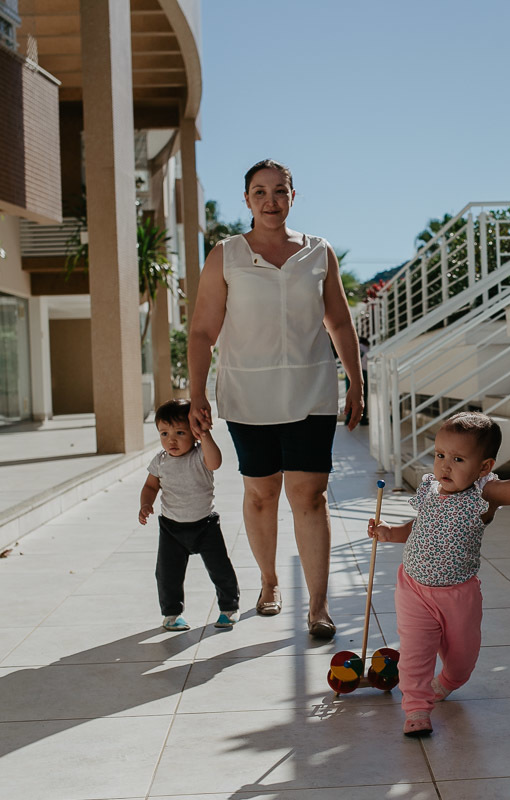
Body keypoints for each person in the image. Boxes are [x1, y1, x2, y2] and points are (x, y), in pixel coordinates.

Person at [188, 159, 363, 640]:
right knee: (261, 495)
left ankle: (319, 607)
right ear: (246, 200)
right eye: (260, 192)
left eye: (280, 191)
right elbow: (203, 330)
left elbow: (340, 323)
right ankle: (268, 582)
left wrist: (355, 382)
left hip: (311, 391)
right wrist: (196, 392)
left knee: (311, 495)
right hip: (249, 393)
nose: (271, 200)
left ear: (293, 196)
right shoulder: (226, 255)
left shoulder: (318, 253)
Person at [368, 413, 510, 737]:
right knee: (414, 653)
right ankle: (416, 707)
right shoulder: (430, 488)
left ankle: (448, 682)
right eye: (440, 455)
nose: (445, 467)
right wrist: (390, 532)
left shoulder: (484, 493)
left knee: (462, 658)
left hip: (459, 596)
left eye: (457, 459)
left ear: (483, 467)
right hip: (413, 587)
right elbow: (421, 527)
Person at [139, 399, 240, 632]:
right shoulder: (160, 461)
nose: (171, 440)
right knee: (167, 574)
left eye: (180, 432)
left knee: (220, 568)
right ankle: (172, 614)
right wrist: (145, 503)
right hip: (171, 528)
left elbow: (215, 462)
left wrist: (205, 435)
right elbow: (151, 486)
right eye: (164, 433)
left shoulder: (200, 456)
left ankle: (228, 608)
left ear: (194, 433)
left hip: (205, 525)